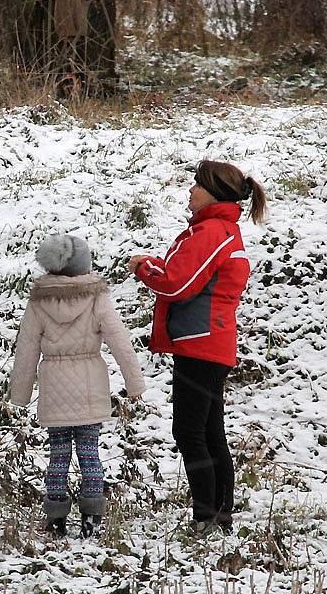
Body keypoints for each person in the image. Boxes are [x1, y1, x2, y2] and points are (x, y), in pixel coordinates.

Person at [129, 160, 267, 537]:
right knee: (209, 432)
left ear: (213, 193)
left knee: (190, 432)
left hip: (199, 343)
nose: (189, 191)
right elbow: (191, 276)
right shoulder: (220, 231)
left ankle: (206, 517)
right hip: (210, 341)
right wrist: (156, 265)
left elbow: (176, 284)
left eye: (195, 185)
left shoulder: (211, 231)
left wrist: (144, 269)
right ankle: (220, 516)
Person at [10, 234, 146, 538]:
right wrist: (134, 382)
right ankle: (92, 520)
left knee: (58, 454)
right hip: (89, 383)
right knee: (89, 453)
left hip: (54, 387)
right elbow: (120, 341)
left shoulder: (39, 301)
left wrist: (19, 395)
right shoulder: (97, 298)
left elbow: (26, 349)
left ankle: (56, 519)